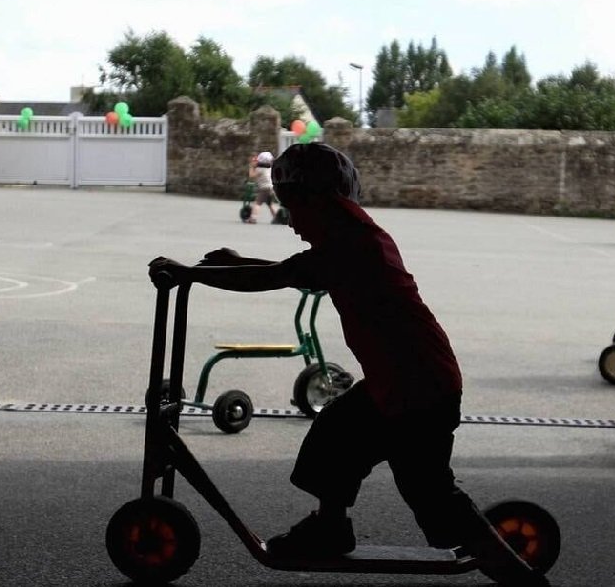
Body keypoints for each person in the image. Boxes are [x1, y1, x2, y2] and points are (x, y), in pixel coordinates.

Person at [149, 143, 547, 586]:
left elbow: (276, 276)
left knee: (430, 494)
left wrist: (193, 273)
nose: (294, 224)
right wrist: (232, 266)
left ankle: (517, 574)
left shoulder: (349, 243)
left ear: (318, 200)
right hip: (398, 381)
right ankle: (330, 526)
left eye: (294, 210)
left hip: (419, 387)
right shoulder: (350, 234)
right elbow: (292, 270)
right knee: (332, 437)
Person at [246, 151, 278, 224]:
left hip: (264, 188)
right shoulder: (269, 168)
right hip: (271, 188)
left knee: (257, 203)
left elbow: (251, 175)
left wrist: (251, 167)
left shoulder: (260, 169)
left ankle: (253, 218)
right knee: (270, 204)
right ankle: (276, 217)